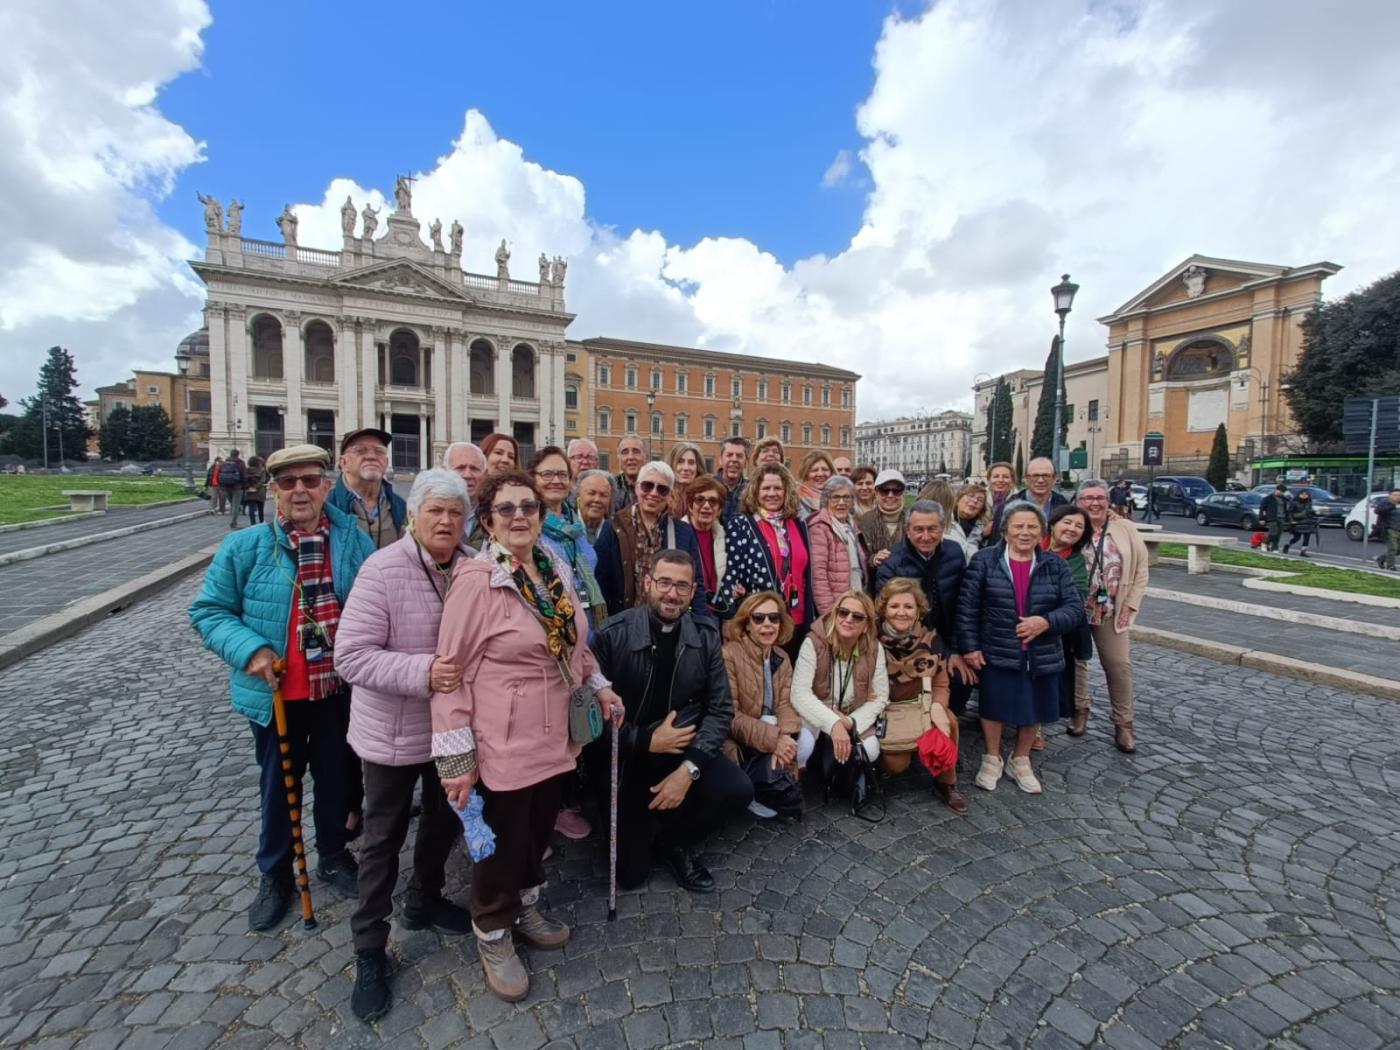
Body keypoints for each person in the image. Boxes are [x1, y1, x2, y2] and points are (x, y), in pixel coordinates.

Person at [430, 470, 622, 1001]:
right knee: (503, 841)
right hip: (502, 739)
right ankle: (493, 928)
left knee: (538, 832)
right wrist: (456, 761)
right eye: (507, 508)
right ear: (488, 520)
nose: (520, 516)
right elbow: (450, 676)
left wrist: (600, 687)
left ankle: (526, 906)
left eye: (529, 507)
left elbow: (574, 647)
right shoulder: (477, 580)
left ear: (541, 514)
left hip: (555, 734)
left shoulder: (552, 565)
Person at [189, 444, 374, 932]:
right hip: (277, 696)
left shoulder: (353, 539)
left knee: (336, 777)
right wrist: (250, 650)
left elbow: (377, 600)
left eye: (310, 481)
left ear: (326, 486)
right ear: (271, 490)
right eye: (287, 482)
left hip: (337, 689)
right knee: (279, 786)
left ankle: (333, 854)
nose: (300, 491)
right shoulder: (245, 546)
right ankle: (275, 874)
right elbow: (209, 611)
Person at [335, 470, 476, 1023]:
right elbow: (352, 656)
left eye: (455, 513)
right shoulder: (383, 568)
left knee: (444, 820)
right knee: (381, 839)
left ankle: (425, 899)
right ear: (413, 515)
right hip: (391, 731)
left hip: (449, 732)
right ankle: (369, 947)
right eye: (435, 511)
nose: (445, 522)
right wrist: (426, 672)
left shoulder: (472, 567)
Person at [589, 550, 751, 892]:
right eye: (664, 582)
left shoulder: (705, 637)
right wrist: (646, 740)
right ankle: (641, 822)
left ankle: (675, 841)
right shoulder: (611, 635)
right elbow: (590, 723)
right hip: (628, 755)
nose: (672, 593)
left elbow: (720, 709)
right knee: (629, 877)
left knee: (737, 788)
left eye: (681, 586)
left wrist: (688, 770)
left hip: (681, 749)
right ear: (648, 583)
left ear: (693, 592)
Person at [957, 501, 1082, 794]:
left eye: (1032, 527)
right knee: (994, 705)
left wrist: (1046, 622)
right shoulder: (985, 561)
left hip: (1042, 651)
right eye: (1018, 526)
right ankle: (991, 757)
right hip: (997, 646)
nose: (1025, 533)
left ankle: (1021, 758)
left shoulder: (1055, 565)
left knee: (1035, 705)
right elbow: (967, 608)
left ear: (1042, 532)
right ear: (1005, 530)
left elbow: (1074, 609)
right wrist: (970, 647)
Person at [874, 499, 977, 714]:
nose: (926, 536)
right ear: (907, 530)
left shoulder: (955, 552)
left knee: (964, 677)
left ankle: (948, 719)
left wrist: (958, 649)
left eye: (932, 529)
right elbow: (888, 617)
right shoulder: (893, 563)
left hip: (949, 637)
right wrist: (941, 653)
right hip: (909, 645)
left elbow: (963, 603)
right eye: (918, 529)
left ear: (943, 528)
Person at [875, 578, 965, 813]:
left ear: (918, 611)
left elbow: (941, 680)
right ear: (884, 608)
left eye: (908, 606)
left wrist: (938, 706)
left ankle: (947, 782)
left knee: (950, 722)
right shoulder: (871, 640)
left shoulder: (930, 639)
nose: (901, 612)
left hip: (921, 705)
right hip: (888, 710)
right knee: (897, 766)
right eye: (895, 606)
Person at [1073, 480, 1149, 752]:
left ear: (1108, 500)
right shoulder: (1073, 524)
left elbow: (1141, 568)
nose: (1094, 503)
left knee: (1118, 665)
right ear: (1078, 501)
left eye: (1100, 498)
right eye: (1088, 498)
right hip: (1078, 608)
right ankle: (1080, 710)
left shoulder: (1124, 527)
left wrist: (1131, 603)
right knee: (1077, 662)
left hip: (1111, 609)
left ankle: (1124, 723)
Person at [718, 462, 816, 660]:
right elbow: (730, 572)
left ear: (787, 491)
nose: (772, 493)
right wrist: (729, 615)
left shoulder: (798, 524)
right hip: (760, 620)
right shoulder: (741, 523)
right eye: (766, 488)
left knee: (789, 679)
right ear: (755, 491)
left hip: (796, 617)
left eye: (777, 488)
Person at [595, 461, 710, 621]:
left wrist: (700, 624)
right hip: (624, 622)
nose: (654, 493)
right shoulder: (614, 527)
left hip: (670, 623)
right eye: (647, 486)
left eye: (662, 489)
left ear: (670, 495)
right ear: (637, 488)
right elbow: (600, 579)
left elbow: (695, 581)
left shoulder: (683, 531)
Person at [721, 591, 801, 818]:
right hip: (739, 738)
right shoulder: (729, 655)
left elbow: (785, 703)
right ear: (746, 624)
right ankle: (752, 790)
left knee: (803, 742)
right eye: (758, 618)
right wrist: (774, 739)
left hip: (771, 729)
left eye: (773, 618)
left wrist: (785, 738)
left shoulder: (781, 657)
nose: (767, 624)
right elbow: (730, 715)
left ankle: (772, 782)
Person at [790, 590, 889, 774]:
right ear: (835, 614)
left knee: (871, 750)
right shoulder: (813, 642)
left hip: (851, 712)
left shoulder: (875, 649)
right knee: (803, 746)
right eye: (843, 612)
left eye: (858, 616)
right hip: (817, 709)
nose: (849, 619)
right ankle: (796, 782)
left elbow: (881, 696)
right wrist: (833, 723)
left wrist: (852, 722)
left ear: (866, 626)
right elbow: (799, 693)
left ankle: (841, 774)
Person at [530, 446, 606, 631]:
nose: (556, 481)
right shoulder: (529, 526)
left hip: (588, 626)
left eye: (563, 475)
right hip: (552, 627)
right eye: (547, 474)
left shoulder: (576, 525)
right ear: (532, 479)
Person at [1043, 504, 1095, 744]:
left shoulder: (1074, 559)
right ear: (1053, 523)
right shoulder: (1034, 543)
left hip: (1056, 625)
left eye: (1078, 526)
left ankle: (1077, 708)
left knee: (1070, 665)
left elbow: (1077, 594)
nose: (1072, 529)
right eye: (1067, 522)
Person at [328, 428, 406, 551]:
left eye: (379, 451)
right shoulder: (328, 506)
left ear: (386, 462)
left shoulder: (400, 506)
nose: (371, 456)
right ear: (343, 463)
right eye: (360, 450)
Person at [807, 475, 870, 616]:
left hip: (855, 600)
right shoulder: (819, 528)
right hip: (835, 608)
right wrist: (828, 615)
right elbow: (819, 577)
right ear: (826, 500)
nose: (841, 502)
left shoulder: (852, 526)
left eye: (846, 497)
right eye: (835, 497)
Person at [683, 476, 729, 614]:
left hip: (716, 611)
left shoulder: (724, 536)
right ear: (691, 506)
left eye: (713, 501)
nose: (706, 506)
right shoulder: (679, 534)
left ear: (719, 509)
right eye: (700, 500)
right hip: (689, 611)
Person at [992, 457, 1067, 536]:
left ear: (1054, 478)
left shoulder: (1063, 505)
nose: (1040, 480)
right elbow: (997, 542)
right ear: (1026, 478)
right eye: (1035, 476)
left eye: (1046, 476)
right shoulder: (1007, 507)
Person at [859, 469, 908, 573]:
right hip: (876, 582)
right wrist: (875, 559)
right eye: (884, 490)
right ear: (876, 493)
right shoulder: (865, 521)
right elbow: (861, 557)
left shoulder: (913, 518)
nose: (890, 495)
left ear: (903, 492)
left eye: (896, 490)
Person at [443, 441, 487, 542]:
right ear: (445, 471)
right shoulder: (423, 510)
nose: (467, 475)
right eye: (460, 468)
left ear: (484, 475)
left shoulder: (494, 514)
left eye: (474, 469)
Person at [945, 484, 989, 563]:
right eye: (971, 496)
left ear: (982, 509)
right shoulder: (944, 521)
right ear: (958, 499)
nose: (975, 501)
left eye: (980, 500)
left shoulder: (978, 531)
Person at [574, 469, 615, 546]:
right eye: (591, 493)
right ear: (578, 495)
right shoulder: (565, 527)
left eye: (604, 495)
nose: (597, 499)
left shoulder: (616, 532)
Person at [716, 436, 750, 522]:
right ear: (720, 460)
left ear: (746, 462)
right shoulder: (708, 486)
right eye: (729, 455)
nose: (734, 459)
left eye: (739, 456)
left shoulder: (752, 490)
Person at [796, 450, 836, 522]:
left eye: (825, 469)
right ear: (806, 474)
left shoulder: (841, 498)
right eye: (814, 470)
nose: (820, 474)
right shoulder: (796, 501)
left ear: (831, 472)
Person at [667, 441, 704, 519]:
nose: (686, 468)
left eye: (691, 463)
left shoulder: (705, 496)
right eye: (680, 462)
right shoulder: (662, 493)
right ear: (671, 465)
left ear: (698, 467)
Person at [612, 434, 647, 510]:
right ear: (619, 458)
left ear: (645, 456)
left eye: (636, 452)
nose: (630, 457)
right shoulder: (610, 487)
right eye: (625, 452)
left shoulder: (655, 487)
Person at [1282, 489, 1317, 556]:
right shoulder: (1294, 502)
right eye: (1302, 494)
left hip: (1307, 522)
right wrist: (1291, 520)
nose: (1304, 496)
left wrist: (1313, 514)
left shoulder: (1309, 502)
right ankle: (1288, 545)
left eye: (1306, 494)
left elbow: (1309, 511)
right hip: (1297, 522)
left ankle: (1303, 551)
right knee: (1297, 537)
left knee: (1307, 537)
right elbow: (1290, 512)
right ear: (1299, 495)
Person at [218, 449, 248, 527]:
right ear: (238, 455)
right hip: (237, 487)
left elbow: (219, 475)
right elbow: (244, 476)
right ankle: (233, 522)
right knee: (235, 505)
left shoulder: (223, 464)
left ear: (230, 454)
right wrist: (245, 485)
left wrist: (221, 485)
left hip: (225, 487)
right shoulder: (241, 463)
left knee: (233, 504)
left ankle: (236, 512)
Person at [1259, 482, 1290, 552]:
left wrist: (1288, 519)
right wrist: (1262, 518)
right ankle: (1265, 543)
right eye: (1280, 491)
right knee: (1273, 532)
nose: (1281, 493)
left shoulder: (1284, 499)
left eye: (1283, 492)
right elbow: (1262, 508)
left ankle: (1274, 547)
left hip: (1282, 517)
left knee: (1278, 534)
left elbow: (1286, 509)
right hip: (1272, 517)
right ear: (1276, 490)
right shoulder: (1268, 498)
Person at [1377, 489, 1400, 571]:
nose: (1397, 497)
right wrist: (1392, 506)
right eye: (1395, 495)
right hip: (1390, 529)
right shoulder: (1385, 503)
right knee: (1393, 548)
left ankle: (1382, 558)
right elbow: (1378, 511)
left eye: (1399, 495)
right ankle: (1391, 566)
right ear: (1390, 495)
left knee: (1398, 550)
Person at [243, 455, 267, 525]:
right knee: (260, 509)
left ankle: (252, 523)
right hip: (260, 492)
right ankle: (261, 522)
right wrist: (255, 487)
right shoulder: (262, 471)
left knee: (251, 509)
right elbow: (262, 481)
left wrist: (249, 487)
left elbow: (244, 480)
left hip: (249, 491)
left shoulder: (246, 470)